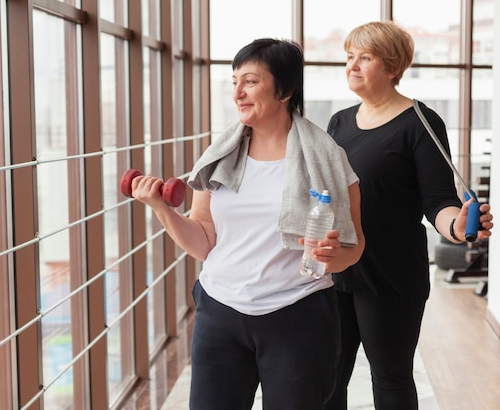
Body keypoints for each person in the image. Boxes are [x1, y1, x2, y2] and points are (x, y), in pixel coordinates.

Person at [129, 38, 365, 410]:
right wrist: (161, 209)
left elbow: (354, 248)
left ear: (285, 90)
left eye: (251, 81)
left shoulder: (328, 157)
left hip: (297, 315)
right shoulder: (219, 156)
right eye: (235, 81)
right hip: (219, 313)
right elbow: (204, 241)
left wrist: (332, 256)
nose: (238, 92)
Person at [324, 21, 494, 410]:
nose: (351, 66)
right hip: (337, 269)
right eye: (349, 57)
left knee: (391, 379)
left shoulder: (419, 121)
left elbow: (437, 200)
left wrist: (458, 225)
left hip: (390, 274)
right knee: (328, 379)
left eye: (363, 58)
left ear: (391, 65)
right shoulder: (339, 122)